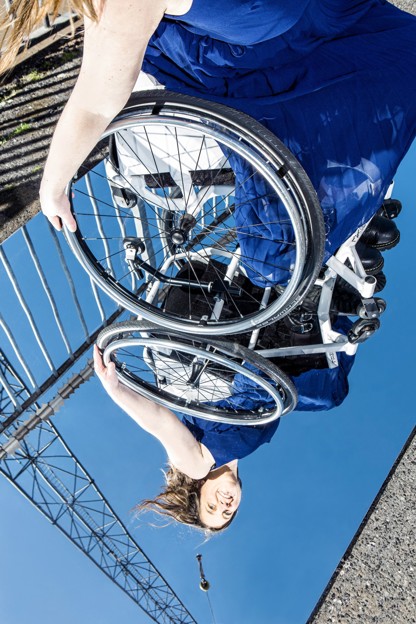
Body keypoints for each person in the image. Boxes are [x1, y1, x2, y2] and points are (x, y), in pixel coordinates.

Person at [1, 0, 415, 530]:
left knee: (288, 286)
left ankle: (333, 223)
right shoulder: (237, 435)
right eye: (230, 512)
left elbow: (168, 431)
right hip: (260, 361)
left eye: (211, 509)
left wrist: (119, 391)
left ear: (191, 493)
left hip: (249, 347)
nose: (225, 504)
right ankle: (337, 246)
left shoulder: (197, 457)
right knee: (320, 381)